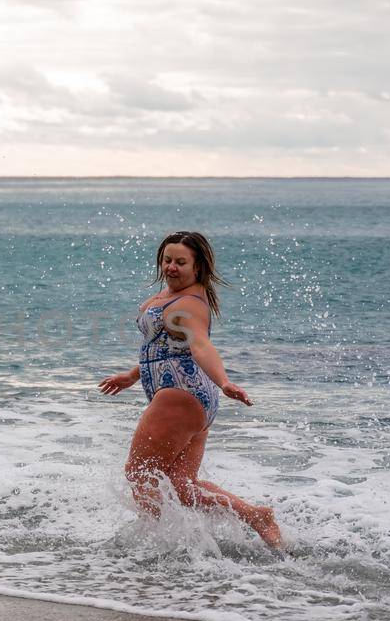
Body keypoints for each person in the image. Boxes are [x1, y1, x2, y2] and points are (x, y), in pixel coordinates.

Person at [99, 231, 283, 549]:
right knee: (181, 485)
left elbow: (199, 345)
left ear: (197, 268)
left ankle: (168, 544)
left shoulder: (189, 304)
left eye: (181, 262)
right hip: (194, 396)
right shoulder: (171, 295)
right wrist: (133, 375)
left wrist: (224, 381)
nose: (171, 267)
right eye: (167, 260)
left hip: (179, 394)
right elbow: (167, 346)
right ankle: (254, 516)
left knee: (139, 474)